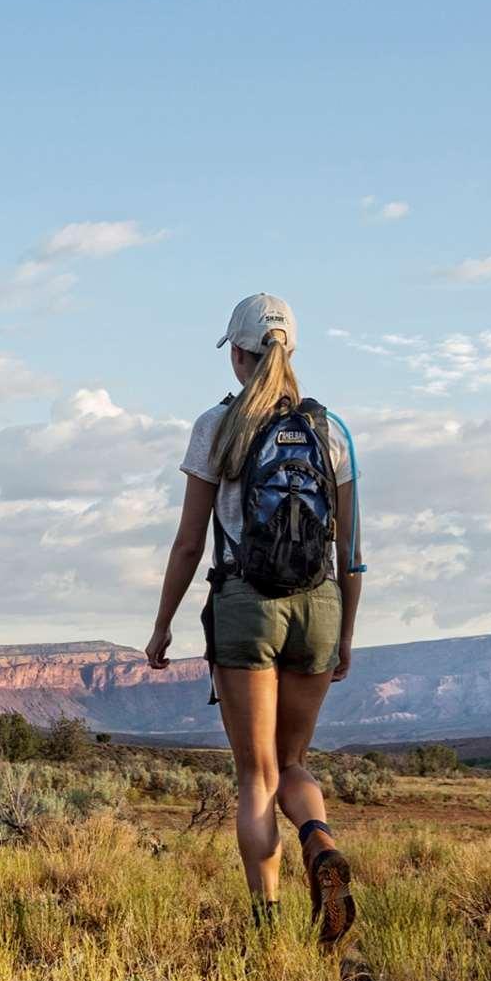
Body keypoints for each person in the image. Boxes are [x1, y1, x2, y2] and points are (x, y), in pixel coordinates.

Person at [144, 292, 364, 945]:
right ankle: (320, 844)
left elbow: (189, 541)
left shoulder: (219, 426)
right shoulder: (331, 430)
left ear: (237, 356)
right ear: (289, 351)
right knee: (293, 762)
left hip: (246, 603)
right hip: (318, 605)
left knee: (256, 777)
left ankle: (267, 930)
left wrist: (163, 626)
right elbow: (350, 551)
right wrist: (345, 635)